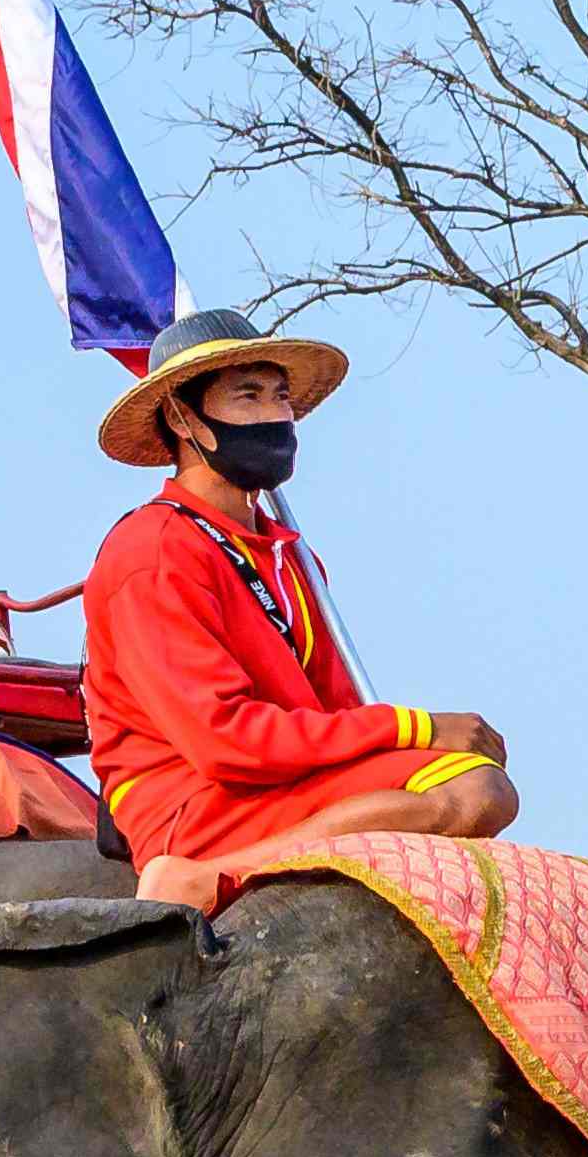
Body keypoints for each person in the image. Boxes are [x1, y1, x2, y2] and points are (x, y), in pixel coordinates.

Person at [78, 309, 517, 903]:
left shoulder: (291, 558)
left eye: (281, 397)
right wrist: (420, 726)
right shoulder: (153, 550)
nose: (275, 417)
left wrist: (408, 742)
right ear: (183, 417)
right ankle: (208, 878)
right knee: (476, 792)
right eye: (248, 396)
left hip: (288, 782)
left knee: (468, 797)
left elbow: (334, 714)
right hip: (203, 800)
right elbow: (224, 741)